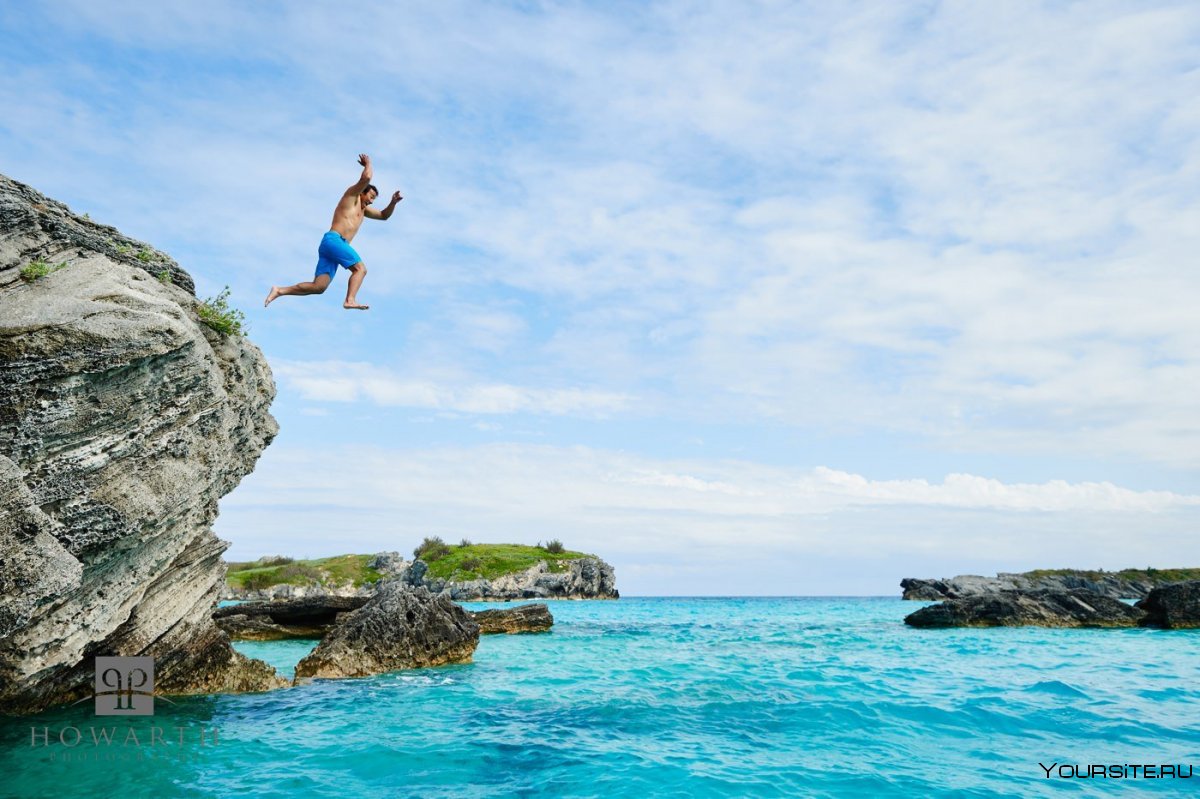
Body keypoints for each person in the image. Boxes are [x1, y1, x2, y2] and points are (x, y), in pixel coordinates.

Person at [264, 153, 402, 310]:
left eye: (373, 200)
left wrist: (392, 203)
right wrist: (368, 163)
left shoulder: (365, 210)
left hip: (333, 248)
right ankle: (350, 300)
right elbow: (366, 179)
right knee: (360, 270)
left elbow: (384, 216)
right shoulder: (351, 197)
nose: (371, 201)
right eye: (370, 196)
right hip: (334, 240)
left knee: (319, 287)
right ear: (362, 192)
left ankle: (280, 290)